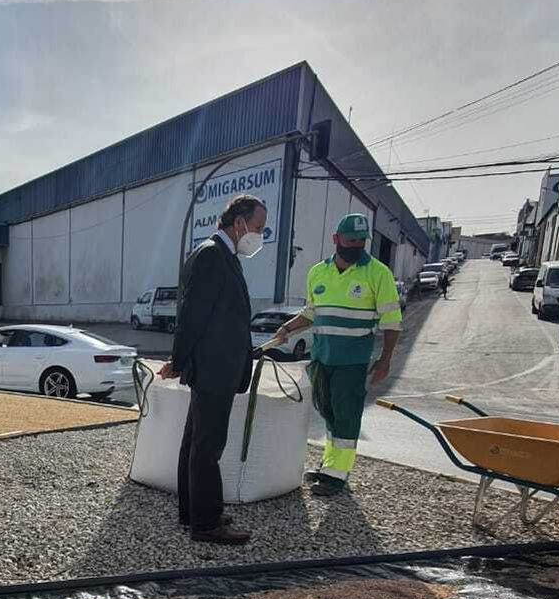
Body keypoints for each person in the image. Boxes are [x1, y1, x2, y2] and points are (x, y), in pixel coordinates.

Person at [267, 212, 402, 497]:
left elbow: (392, 322)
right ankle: (330, 465)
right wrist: (287, 329)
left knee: (346, 415)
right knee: (328, 413)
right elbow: (311, 313)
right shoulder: (318, 272)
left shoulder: (378, 273)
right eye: (351, 240)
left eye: (361, 241)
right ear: (336, 239)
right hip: (322, 358)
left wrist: (385, 359)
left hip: (352, 362)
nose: (356, 245)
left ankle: (338, 474)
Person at [158, 194, 261, 545]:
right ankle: (206, 523)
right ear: (239, 223)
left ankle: (193, 512)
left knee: (195, 442)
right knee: (207, 446)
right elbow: (192, 316)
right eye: (258, 228)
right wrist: (179, 359)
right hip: (214, 369)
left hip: (219, 366)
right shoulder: (212, 256)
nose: (259, 236)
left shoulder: (222, 256)